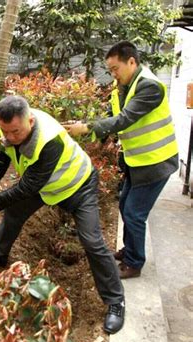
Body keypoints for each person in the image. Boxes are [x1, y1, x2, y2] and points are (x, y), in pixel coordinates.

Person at [0, 95, 125, 334]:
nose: (10, 137)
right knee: (15, 212)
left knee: (91, 241)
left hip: (77, 185)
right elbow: (0, 163)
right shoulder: (9, 128)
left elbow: (27, 187)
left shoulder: (50, 139)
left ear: (30, 119)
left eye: (15, 132)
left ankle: (115, 302)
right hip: (47, 187)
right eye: (5, 132)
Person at [63, 41, 178, 280]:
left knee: (135, 212)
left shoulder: (150, 87)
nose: (113, 74)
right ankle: (130, 250)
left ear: (132, 62)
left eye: (115, 68)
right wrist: (90, 130)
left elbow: (124, 119)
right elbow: (110, 117)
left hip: (156, 162)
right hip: (137, 162)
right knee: (126, 205)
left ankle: (134, 263)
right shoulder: (124, 88)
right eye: (111, 70)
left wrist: (86, 128)